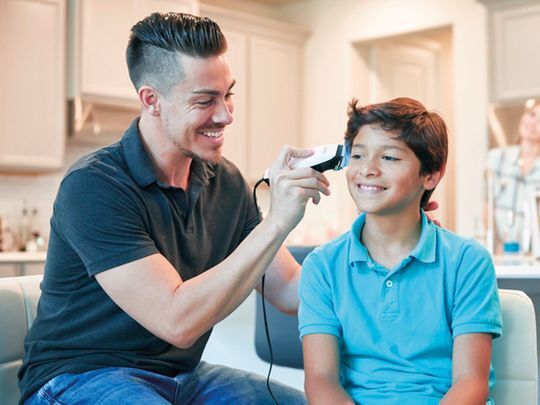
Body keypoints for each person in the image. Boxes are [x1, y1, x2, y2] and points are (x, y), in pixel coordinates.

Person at [18, 12, 331, 404]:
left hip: (182, 378)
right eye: (205, 100)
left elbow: (287, 289)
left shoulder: (226, 182)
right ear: (151, 100)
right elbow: (177, 321)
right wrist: (277, 221)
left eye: (228, 95)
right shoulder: (93, 186)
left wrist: (381, 240)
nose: (226, 115)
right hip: (79, 377)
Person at [298, 98, 502, 404]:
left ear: (431, 174)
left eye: (390, 157)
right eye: (358, 155)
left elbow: (470, 383)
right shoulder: (322, 266)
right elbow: (320, 381)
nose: (367, 169)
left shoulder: (467, 261)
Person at [486, 99, 540, 254]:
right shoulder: (496, 158)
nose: (533, 123)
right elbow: (487, 207)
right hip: (502, 251)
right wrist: (496, 247)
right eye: (532, 115)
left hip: (535, 254)